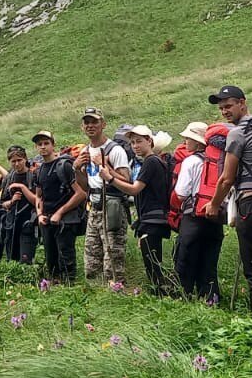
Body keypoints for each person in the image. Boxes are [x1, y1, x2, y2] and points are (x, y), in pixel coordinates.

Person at [206, 85, 252, 310]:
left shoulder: (237, 133)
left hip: (249, 202)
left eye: (228, 106)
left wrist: (214, 204)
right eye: (221, 108)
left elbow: (227, 178)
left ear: (242, 103)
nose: (224, 112)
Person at [105, 125, 174, 295]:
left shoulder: (150, 162)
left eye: (139, 141)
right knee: (153, 261)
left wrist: (110, 178)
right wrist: (110, 171)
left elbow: (134, 189)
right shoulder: (155, 161)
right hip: (154, 218)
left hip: (152, 219)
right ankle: (162, 295)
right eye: (132, 143)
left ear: (149, 141)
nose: (135, 146)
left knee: (152, 264)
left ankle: (161, 296)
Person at [75, 108, 131, 286]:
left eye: (94, 122)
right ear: (82, 127)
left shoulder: (114, 150)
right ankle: (96, 293)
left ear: (103, 124)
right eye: (87, 123)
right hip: (94, 207)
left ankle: (117, 292)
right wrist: (77, 169)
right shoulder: (85, 151)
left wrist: (105, 167)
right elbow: (85, 186)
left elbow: (126, 181)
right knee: (91, 260)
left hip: (112, 207)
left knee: (112, 260)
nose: (90, 126)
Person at [173, 121, 222, 301]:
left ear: (198, 142)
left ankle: (183, 299)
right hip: (214, 217)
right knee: (209, 264)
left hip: (193, 219)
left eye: (189, 138)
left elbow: (181, 193)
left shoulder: (191, 161)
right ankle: (211, 299)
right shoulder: (219, 161)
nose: (185, 141)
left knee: (185, 262)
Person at [32, 130, 86, 282]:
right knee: (51, 258)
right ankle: (54, 285)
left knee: (66, 257)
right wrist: (40, 214)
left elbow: (81, 194)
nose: (43, 147)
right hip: (47, 219)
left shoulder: (64, 166)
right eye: (39, 144)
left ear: (53, 145)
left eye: (46, 143)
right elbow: (39, 196)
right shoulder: (39, 170)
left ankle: (70, 287)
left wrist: (60, 212)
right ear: (36, 147)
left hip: (66, 220)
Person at [0, 146, 39, 264]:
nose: (17, 164)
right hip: (12, 223)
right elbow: (2, 203)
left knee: (26, 259)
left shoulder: (34, 176)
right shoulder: (9, 178)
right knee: (12, 259)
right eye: (13, 161)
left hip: (29, 222)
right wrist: (11, 201)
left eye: (19, 160)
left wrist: (23, 188)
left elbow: (38, 201)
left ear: (25, 159)